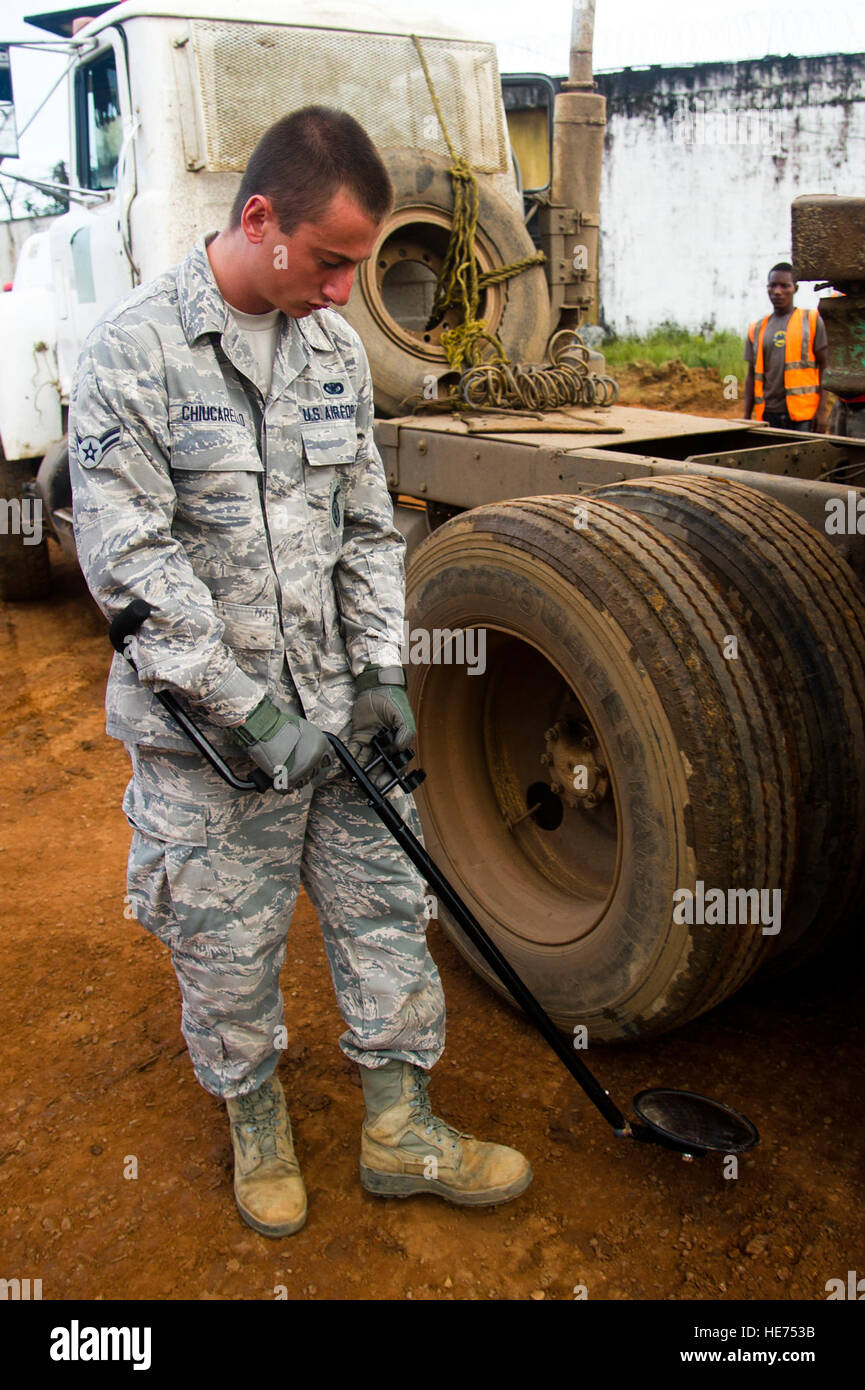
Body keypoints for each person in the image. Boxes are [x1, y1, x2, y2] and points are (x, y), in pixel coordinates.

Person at [69, 106, 532, 1238]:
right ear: (260, 219)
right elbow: (132, 573)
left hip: (338, 720)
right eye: (329, 261)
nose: (343, 291)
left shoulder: (330, 348)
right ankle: (255, 1118)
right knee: (226, 946)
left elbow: (369, 531)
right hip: (211, 748)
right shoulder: (130, 354)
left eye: (356, 267)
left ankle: (397, 1128)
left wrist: (379, 673)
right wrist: (248, 713)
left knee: (387, 913)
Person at [743, 262, 829, 432]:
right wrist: (746, 416)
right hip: (767, 415)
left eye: (784, 286)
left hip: (803, 416)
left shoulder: (811, 320)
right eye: (773, 285)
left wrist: (822, 411)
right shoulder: (757, 328)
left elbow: (825, 366)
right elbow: (751, 375)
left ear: (795, 288)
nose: (777, 291)